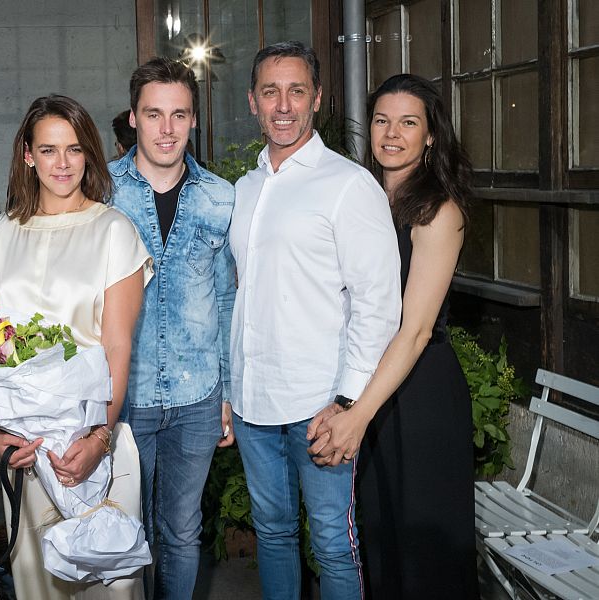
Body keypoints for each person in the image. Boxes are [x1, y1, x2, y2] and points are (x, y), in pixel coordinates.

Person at [229, 41, 401, 600]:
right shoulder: (244, 189)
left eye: (296, 91)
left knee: (331, 542)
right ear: (252, 101)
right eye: (271, 91)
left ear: (317, 100)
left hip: (320, 404)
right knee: (273, 534)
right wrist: (230, 388)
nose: (284, 105)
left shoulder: (349, 185)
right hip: (254, 403)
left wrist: (350, 400)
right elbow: (242, 295)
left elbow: (378, 304)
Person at [306, 73, 479, 599]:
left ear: (430, 136)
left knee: (422, 548)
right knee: (374, 541)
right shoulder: (360, 197)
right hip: (367, 383)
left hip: (418, 393)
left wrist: (357, 414)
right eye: (382, 120)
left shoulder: (438, 210)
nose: (392, 134)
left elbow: (417, 328)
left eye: (409, 123)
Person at [0, 94, 152, 600]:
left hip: (92, 442)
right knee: (41, 589)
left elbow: (118, 346)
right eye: (49, 150)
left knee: (113, 587)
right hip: (27, 451)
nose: (63, 163)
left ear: (89, 155)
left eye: (74, 150)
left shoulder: (113, 230)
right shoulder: (0, 233)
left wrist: (98, 439)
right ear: (28, 155)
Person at [109, 57, 236, 600]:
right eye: (154, 114)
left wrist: (228, 392)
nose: (167, 129)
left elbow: (228, 298)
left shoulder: (219, 196)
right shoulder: (100, 192)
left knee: (182, 535)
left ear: (192, 120)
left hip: (197, 395)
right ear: (133, 118)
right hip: (124, 395)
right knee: (123, 534)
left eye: (179, 114)